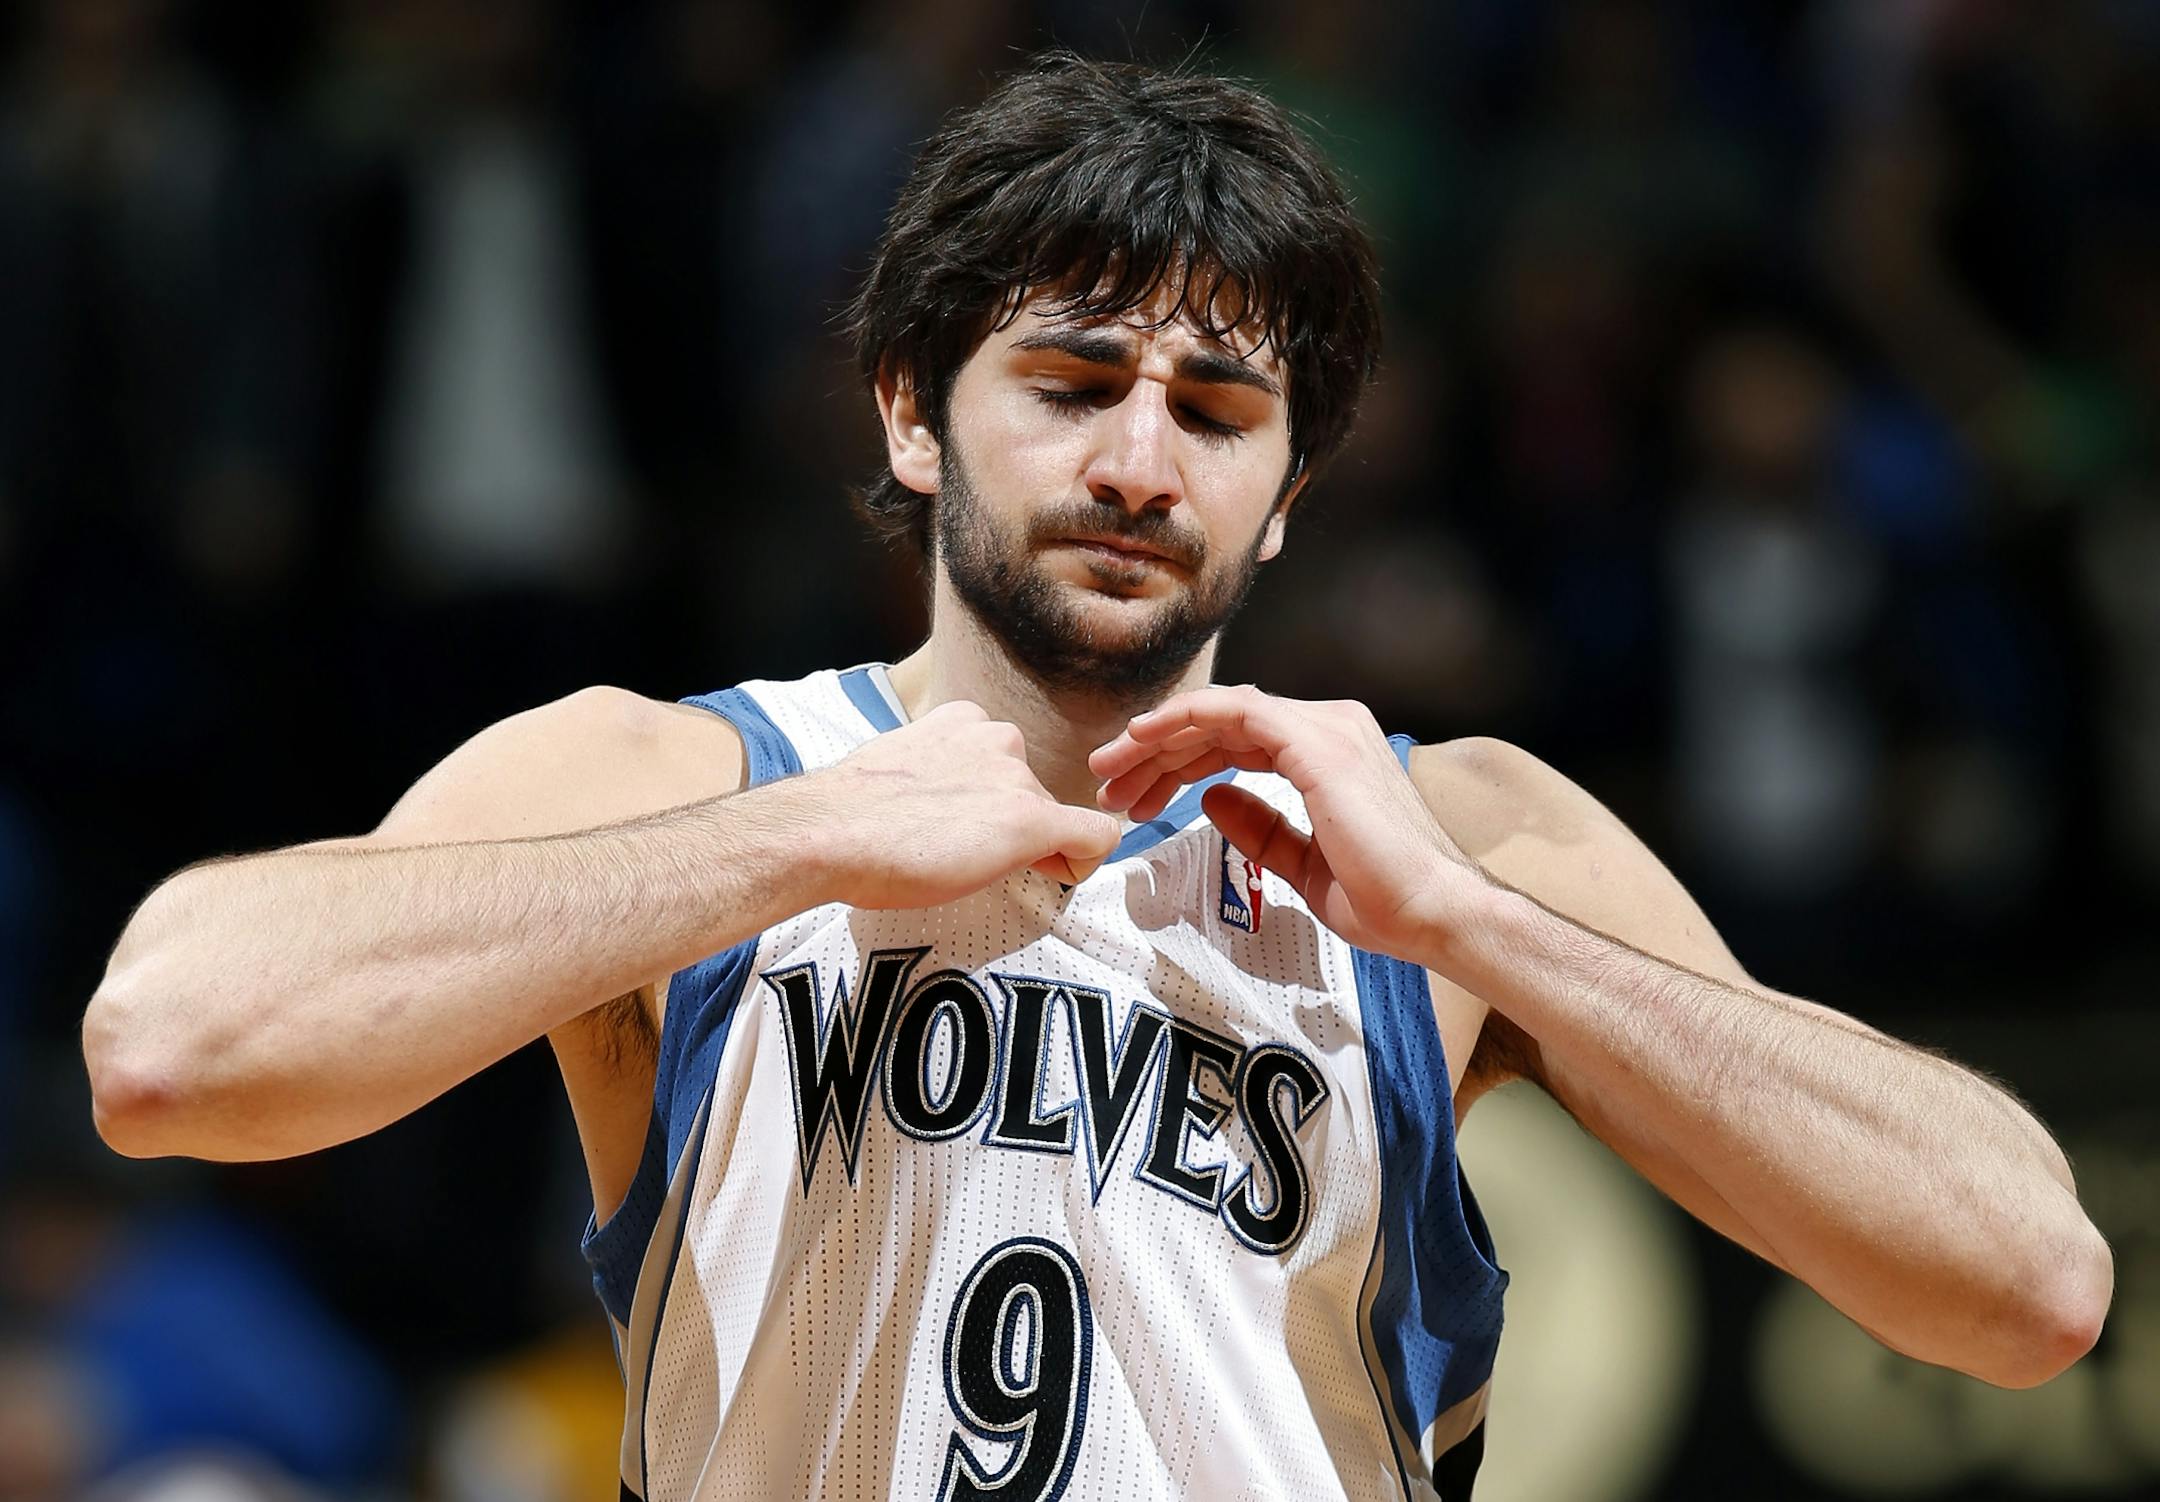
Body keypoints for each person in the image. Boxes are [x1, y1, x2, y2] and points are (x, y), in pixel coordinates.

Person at [81, 52, 2110, 1502]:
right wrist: (797, 838)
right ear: (908, 414)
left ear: (1290, 493)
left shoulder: (1457, 833)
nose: (1144, 460)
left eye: (1221, 410)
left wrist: (1475, 928)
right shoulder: (685, 772)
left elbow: (2025, 1284)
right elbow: (171, 1042)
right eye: (1070, 382)